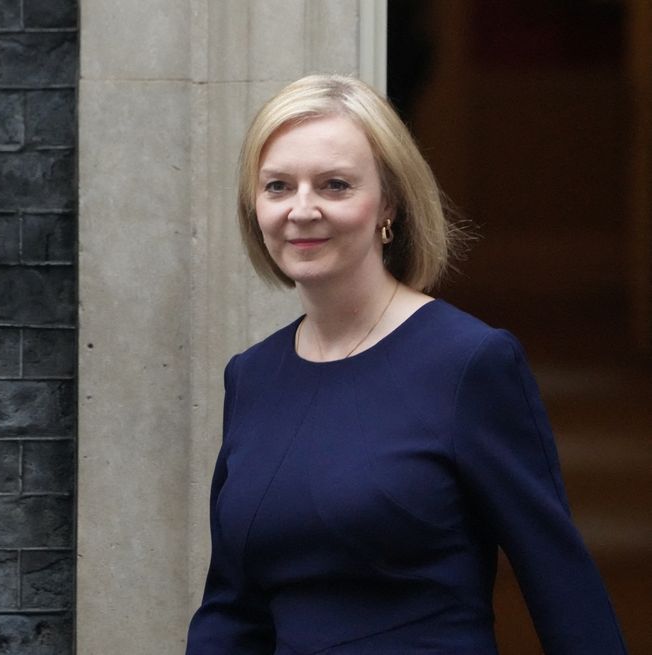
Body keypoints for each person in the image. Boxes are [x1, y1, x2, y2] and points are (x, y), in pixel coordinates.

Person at [185, 74, 627, 654]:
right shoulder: (252, 376)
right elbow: (232, 608)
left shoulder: (469, 363)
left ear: (388, 203)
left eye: (336, 185)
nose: (302, 209)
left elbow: (562, 588)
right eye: (277, 186)